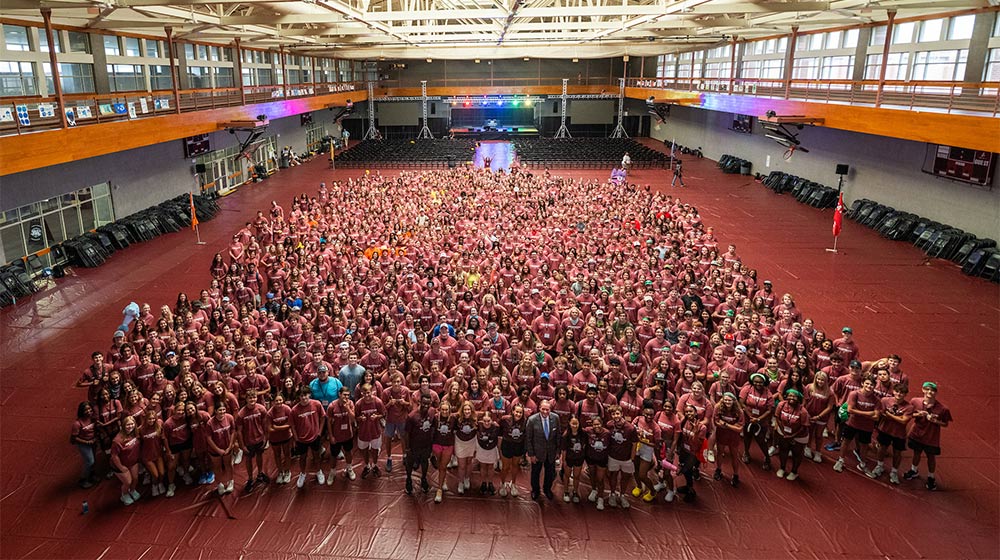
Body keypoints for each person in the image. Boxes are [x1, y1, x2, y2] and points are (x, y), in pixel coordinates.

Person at [903, 382, 952, 490]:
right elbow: (910, 414)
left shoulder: (943, 409)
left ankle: (931, 477)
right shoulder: (915, 401)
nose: (930, 392)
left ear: (936, 393)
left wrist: (935, 421)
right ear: (923, 390)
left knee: (931, 457)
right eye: (927, 389)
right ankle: (913, 470)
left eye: (933, 390)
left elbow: (945, 423)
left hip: (931, 437)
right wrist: (918, 414)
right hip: (917, 434)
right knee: (916, 453)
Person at [834, 375, 882, 474]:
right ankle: (840, 460)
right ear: (862, 383)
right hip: (852, 423)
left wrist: (858, 412)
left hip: (867, 427)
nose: (869, 386)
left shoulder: (876, 400)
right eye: (867, 383)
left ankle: (862, 464)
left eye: (872, 385)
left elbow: (876, 417)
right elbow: (850, 409)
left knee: (864, 446)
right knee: (846, 441)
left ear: (874, 386)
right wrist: (869, 413)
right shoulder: (854, 394)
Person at [868, 383, 912, 484]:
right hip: (885, 430)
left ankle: (894, 472)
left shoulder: (909, 407)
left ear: (905, 394)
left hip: (899, 433)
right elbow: (880, 414)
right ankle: (879, 465)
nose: (899, 394)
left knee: (897, 452)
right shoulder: (885, 400)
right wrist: (896, 417)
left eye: (902, 393)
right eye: (897, 391)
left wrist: (888, 414)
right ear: (893, 391)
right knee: (881, 448)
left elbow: (904, 421)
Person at [290, 387, 327, 489]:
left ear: (309, 395)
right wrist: (296, 438)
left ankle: (319, 471)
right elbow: (292, 425)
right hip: (301, 439)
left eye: (305, 395)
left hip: (315, 437)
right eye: (301, 396)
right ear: (298, 397)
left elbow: (323, 417)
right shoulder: (294, 410)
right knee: (302, 457)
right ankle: (302, 474)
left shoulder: (317, 404)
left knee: (316, 455)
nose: (304, 398)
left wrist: (319, 432)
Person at [525, 399, 561, 500]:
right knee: (535, 473)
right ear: (539, 408)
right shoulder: (532, 420)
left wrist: (558, 451)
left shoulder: (556, 418)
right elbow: (528, 438)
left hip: (551, 452)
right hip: (537, 453)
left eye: (547, 410)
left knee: (550, 473)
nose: (545, 412)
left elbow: (558, 435)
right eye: (543, 409)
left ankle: (547, 489)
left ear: (551, 409)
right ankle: (535, 490)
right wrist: (531, 454)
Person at [236, 389, 269, 494]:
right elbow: (239, 431)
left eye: (254, 397)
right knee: (248, 460)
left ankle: (260, 474)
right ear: (246, 399)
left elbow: (265, 425)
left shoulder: (261, 409)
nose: (252, 399)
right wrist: (242, 445)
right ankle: (250, 478)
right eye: (250, 398)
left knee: (260, 456)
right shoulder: (241, 414)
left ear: (256, 398)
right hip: (248, 441)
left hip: (259, 439)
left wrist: (265, 438)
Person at [773, 389, 810, 481]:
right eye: (789, 395)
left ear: (799, 399)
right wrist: (784, 432)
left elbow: (803, 427)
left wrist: (792, 436)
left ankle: (794, 471)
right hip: (784, 432)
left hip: (799, 435)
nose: (791, 398)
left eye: (794, 396)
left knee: (796, 453)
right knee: (783, 450)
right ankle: (782, 468)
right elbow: (777, 418)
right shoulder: (781, 405)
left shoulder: (803, 411)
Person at [605, 405, 638, 509]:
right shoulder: (609, 425)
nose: (615, 416)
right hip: (613, 456)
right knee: (613, 475)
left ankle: (622, 495)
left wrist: (632, 458)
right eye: (613, 414)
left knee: (625, 477)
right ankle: (613, 494)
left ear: (622, 414)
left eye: (617, 413)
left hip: (626, 458)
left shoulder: (630, 428)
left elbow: (634, 443)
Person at [403, 393, 436, 495]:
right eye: (424, 403)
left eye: (428, 404)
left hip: (426, 444)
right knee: (410, 464)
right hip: (414, 446)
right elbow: (406, 433)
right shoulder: (412, 416)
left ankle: (424, 478)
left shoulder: (432, 412)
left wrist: (432, 443)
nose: (426, 406)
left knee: (425, 462)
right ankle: (408, 479)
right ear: (419, 402)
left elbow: (433, 426)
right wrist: (407, 448)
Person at [675, 403, 706, 502]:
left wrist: (696, 433)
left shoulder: (702, 427)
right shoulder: (683, 422)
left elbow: (697, 445)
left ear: (696, 412)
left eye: (691, 411)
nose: (689, 414)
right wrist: (678, 448)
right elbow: (680, 436)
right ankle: (688, 486)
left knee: (686, 470)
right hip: (684, 450)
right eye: (687, 412)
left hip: (693, 453)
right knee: (686, 471)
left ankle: (691, 490)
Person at [356, 382, 387, 478]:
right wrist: (360, 418)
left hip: (375, 431)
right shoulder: (358, 404)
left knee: (374, 449)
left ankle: (374, 465)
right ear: (361, 393)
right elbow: (356, 417)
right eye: (364, 393)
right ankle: (367, 465)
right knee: (364, 449)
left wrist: (377, 416)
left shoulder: (378, 402)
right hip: (363, 431)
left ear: (372, 392)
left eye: (368, 393)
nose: (367, 395)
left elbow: (383, 414)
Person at [712, 392, 744, 486]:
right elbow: (716, 422)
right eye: (725, 400)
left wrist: (726, 425)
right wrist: (732, 426)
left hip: (733, 436)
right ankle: (718, 469)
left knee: (734, 455)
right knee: (720, 452)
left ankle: (736, 475)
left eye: (729, 400)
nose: (727, 402)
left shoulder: (739, 411)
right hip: (721, 434)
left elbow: (739, 429)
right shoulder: (718, 407)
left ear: (734, 401)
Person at [327, 386, 358, 483]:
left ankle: (349, 468)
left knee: (348, 452)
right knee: (333, 455)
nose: (346, 397)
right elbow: (328, 422)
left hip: (347, 434)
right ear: (339, 394)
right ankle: (332, 472)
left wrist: (348, 408)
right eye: (344, 395)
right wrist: (331, 436)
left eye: (348, 395)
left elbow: (353, 419)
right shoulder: (332, 406)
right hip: (336, 436)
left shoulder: (351, 403)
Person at [110, 415, 142, 505]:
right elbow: (114, 456)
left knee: (135, 479)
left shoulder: (135, 433)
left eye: (132, 424)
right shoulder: (117, 440)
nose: (130, 426)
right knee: (128, 482)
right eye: (128, 425)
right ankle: (124, 495)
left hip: (132, 461)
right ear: (123, 426)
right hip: (120, 464)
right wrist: (121, 467)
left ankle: (132, 490)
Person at [206, 403, 237, 494]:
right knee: (217, 467)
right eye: (220, 410)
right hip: (215, 450)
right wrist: (217, 450)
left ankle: (231, 481)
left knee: (228, 464)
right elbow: (209, 438)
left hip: (227, 447)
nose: (222, 412)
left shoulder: (230, 418)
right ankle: (219, 484)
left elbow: (233, 431)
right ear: (215, 411)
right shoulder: (210, 423)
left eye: (224, 409)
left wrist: (230, 446)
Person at [499, 403, 528, 498]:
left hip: (518, 445)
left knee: (515, 465)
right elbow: (499, 431)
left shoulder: (525, 421)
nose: (518, 414)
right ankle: (502, 484)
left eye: (520, 412)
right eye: (517, 412)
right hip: (507, 445)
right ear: (512, 411)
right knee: (505, 467)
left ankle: (513, 484)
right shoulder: (505, 419)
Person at [266, 393, 294, 484]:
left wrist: (277, 427)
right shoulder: (270, 413)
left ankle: (287, 472)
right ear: (273, 402)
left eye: (280, 400)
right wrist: (284, 427)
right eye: (276, 401)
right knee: (277, 455)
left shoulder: (287, 409)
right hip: (275, 438)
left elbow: (290, 424)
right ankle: (280, 472)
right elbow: (269, 428)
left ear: (283, 400)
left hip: (286, 436)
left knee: (287, 454)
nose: (278, 403)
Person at [432, 401, 456, 502]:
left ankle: (439, 489)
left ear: (450, 410)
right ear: (440, 409)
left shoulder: (453, 419)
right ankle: (443, 480)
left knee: (443, 466)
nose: (445, 412)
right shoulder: (435, 418)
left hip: (448, 445)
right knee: (439, 465)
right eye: (443, 410)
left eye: (447, 410)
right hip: (437, 444)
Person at [453, 401, 479, 495]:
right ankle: (460, 482)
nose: (467, 411)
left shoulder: (476, 419)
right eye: (465, 409)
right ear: (462, 410)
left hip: (471, 442)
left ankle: (467, 478)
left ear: (471, 410)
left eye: (468, 409)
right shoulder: (457, 418)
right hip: (460, 442)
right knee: (461, 465)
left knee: (469, 462)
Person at [70, 402, 98, 489]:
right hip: (84, 444)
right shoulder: (77, 424)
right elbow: (73, 439)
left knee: (94, 458)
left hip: (93, 441)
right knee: (90, 461)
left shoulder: (92, 418)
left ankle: (92, 475)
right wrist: (86, 442)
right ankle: (83, 479)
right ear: (81, 411)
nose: (89, 411)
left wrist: (95, 438)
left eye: (90, 409)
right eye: (86, 410)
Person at [475, 411, 501, 495]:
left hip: (492, 448)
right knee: (482, 466)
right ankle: (483, 483)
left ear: (492, 420)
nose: (486, 423)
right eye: (484, 421)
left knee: (490, 467)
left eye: (488, 421)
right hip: (482, 448)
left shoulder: (496, 427)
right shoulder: (478, 425)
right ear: (481, 420)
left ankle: (490, 483)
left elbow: (499, 439)